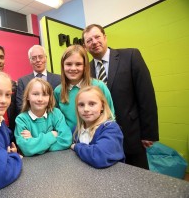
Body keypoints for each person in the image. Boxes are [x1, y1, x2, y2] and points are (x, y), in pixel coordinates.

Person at [82, 24, 158, 169]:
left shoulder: (131, 56)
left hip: (132, 134)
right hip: (103, 138)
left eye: (97, 37)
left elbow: (146, 95)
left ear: (105, 37)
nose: (94, 42)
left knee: (137, 177)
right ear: (85, 47)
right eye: (89, 40)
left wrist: (149, 132)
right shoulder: (86, 70)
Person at [54, 45, 115, 132]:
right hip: (71, 142)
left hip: (97, 139)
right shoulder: (58, 91)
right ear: (63, 66)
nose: (73, 68)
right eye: (68, 64)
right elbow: (57, 121)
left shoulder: (99, 86)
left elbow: (110, 115)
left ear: (85, 66)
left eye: (78, 64)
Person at [14, 78, 72, 157]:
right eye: (35, 94)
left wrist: (35, 143)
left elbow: (66, 140)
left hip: (56, 160)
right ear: (27, 96)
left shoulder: (56, 113)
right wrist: (52, 135)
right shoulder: (21, 119)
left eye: (44, 94)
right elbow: (27, 149)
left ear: (49, 97)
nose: (40, 99)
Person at [71, 86, 125, 168]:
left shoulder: (111, 128)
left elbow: (98, 156)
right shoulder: (76, 130)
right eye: (81, 105)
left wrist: (76, 146)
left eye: (92, 104)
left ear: (102, 106)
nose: (86, 109)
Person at [16, 45, 61, 112]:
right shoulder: (23, 81)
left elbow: (61, 103)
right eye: (34, 58)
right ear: (30, 61)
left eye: (40, 57)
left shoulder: (59, 79)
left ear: (46, 58)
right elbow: (20, 106)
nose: (38, 60)